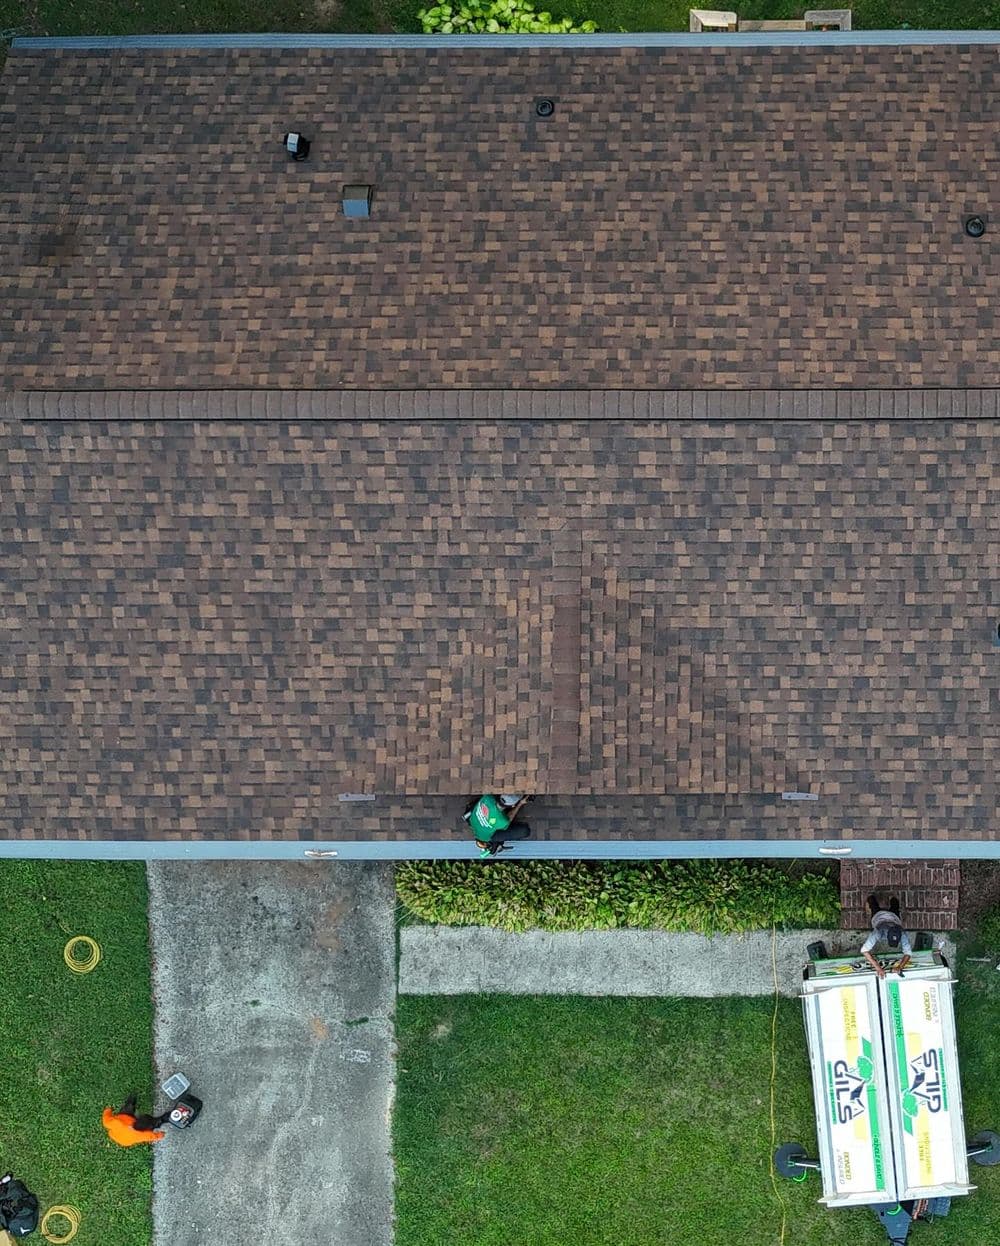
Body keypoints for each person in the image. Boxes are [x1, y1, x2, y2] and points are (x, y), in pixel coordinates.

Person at [462, 794, 532, 857]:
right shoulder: (488, 797)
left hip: (480, 827)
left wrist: (520, 803)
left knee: (524, 831)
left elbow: (508, 820)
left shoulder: (488, 798)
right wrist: (520, 803)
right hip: (480, 829)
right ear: (512, 806)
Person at [860, 894, 912, 978]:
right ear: (887, 936)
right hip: (878, 916)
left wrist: (900, 967)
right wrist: (878, 968)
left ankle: (893, 899)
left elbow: (908, 953)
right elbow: (864, 950)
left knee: (895, 907)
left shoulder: (901, 933)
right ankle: (871, 898)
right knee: (873, 906)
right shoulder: (878, 932)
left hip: (894, 918)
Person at [102, 1093, 168, 1147]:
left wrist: (108, 1110)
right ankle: (161, 1120)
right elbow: (148, 1136)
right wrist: (159, 1135)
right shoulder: (137, 1135)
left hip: (124, 1118)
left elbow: (106, 1118)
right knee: (149, 1122)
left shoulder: (110, 1123)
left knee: (128, 1107)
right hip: (125, 1137)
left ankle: (132, 1099)